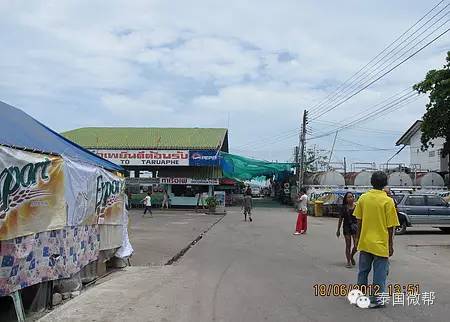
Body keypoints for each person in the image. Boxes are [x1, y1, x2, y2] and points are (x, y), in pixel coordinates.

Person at [354, 171, 399, 308]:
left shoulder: (363, 198)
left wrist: (357, 239)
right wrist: (390, 245)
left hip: (365, 241)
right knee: (379, 274)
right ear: (385, 184)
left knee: (363, 272)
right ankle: (376, 300)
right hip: (380, 244)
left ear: (371, 182)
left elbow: (359, 221)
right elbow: (390, 226)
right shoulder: (388, 201)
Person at [336, 192, 358, 268]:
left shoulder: (357, 206)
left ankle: (351, 256)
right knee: (348, 244)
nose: (350, 198)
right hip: (346, 227)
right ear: (346, 199)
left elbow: (360, 218)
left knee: (356, 245)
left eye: (351, 197)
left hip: (355, 227)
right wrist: (338, 229)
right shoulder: (344, 207)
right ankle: (348, 261)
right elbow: (340, 219)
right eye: (348, 197)